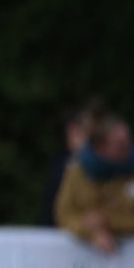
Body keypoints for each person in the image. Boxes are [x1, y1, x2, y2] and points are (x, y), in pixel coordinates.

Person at [54, 114, 134, 253]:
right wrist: (89, 230)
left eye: (128, 141)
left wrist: (107, 222)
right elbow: (64, 214)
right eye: (120, 145)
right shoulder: (76, 172)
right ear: (100, 147)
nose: (128, 149)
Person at [41, 97, 103, 226]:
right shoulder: (61, 165)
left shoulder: (100, 163)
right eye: (87, 131)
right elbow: (53, 213)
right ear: (72, 130)